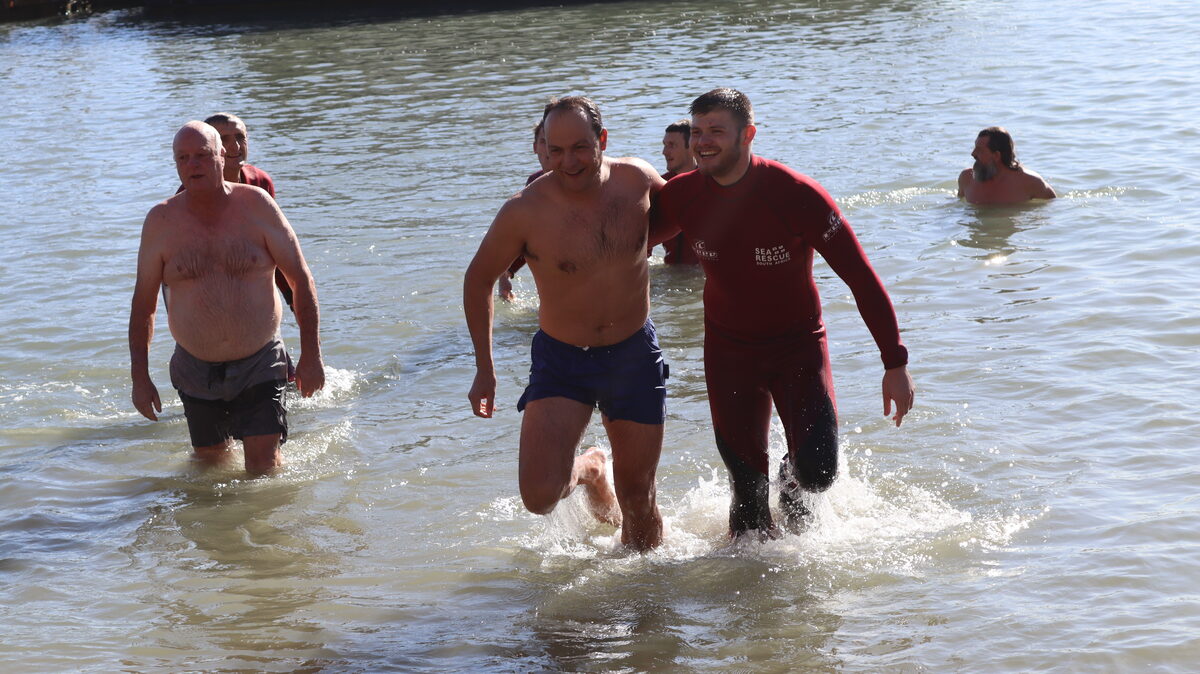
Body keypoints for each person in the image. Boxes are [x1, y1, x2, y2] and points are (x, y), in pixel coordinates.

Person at [653, 88, 915, 539]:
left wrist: (895, 362)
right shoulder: (682, 196)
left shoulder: (795, 195)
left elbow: (861, 278)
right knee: (747, 494)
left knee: (817, 474)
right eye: (697, 132)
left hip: (797, 346)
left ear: (748, 134)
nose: (702, 142)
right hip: (729, 352)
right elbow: (620, 247)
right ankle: (750, 598)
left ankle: (791, 487)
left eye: (717, 131)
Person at [464, 96, 668, 551]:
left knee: (639, 499)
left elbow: (689, 221)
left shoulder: (637, 179)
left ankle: (646, 611)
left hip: (632, 352)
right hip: (562, 359)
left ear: (603, 141)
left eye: (579, 148)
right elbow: (477, 280)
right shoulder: (524, 210)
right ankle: (592, 467)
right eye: (555, 151)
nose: (567, 162)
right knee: (539, 496)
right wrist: (484, 367)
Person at [130, 121, 325, 475]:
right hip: (194, 368)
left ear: (222, 156)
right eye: (183, 158)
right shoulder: (160, 221)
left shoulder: (257, 206)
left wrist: (311, 354)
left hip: (260, 361)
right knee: (210, 469)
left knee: (263, 469)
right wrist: (140, 377)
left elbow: (301, 281)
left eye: (202, 155)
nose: (193, 165)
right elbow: (144, 306)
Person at [497, 118, 552, 300]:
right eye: (544, 142)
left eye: (555, 142)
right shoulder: (534, 184)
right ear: (535, 147)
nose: (550, 149)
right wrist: (506, 273)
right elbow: (529, 237)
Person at [958, 126, 1056, 205]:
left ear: (996, 155)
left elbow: (1054, 207)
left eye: (980, 150)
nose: (973, 154)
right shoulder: (966, 178)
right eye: (975, 148)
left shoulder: (1030, 182)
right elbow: (958, 205)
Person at [653, 120, 700, 264]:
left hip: (702, 274)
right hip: (670, 271)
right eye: (665, 145)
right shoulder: (660, 186)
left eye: (671, 145)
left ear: (691, 147)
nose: (664, 152)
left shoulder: (712, 184)